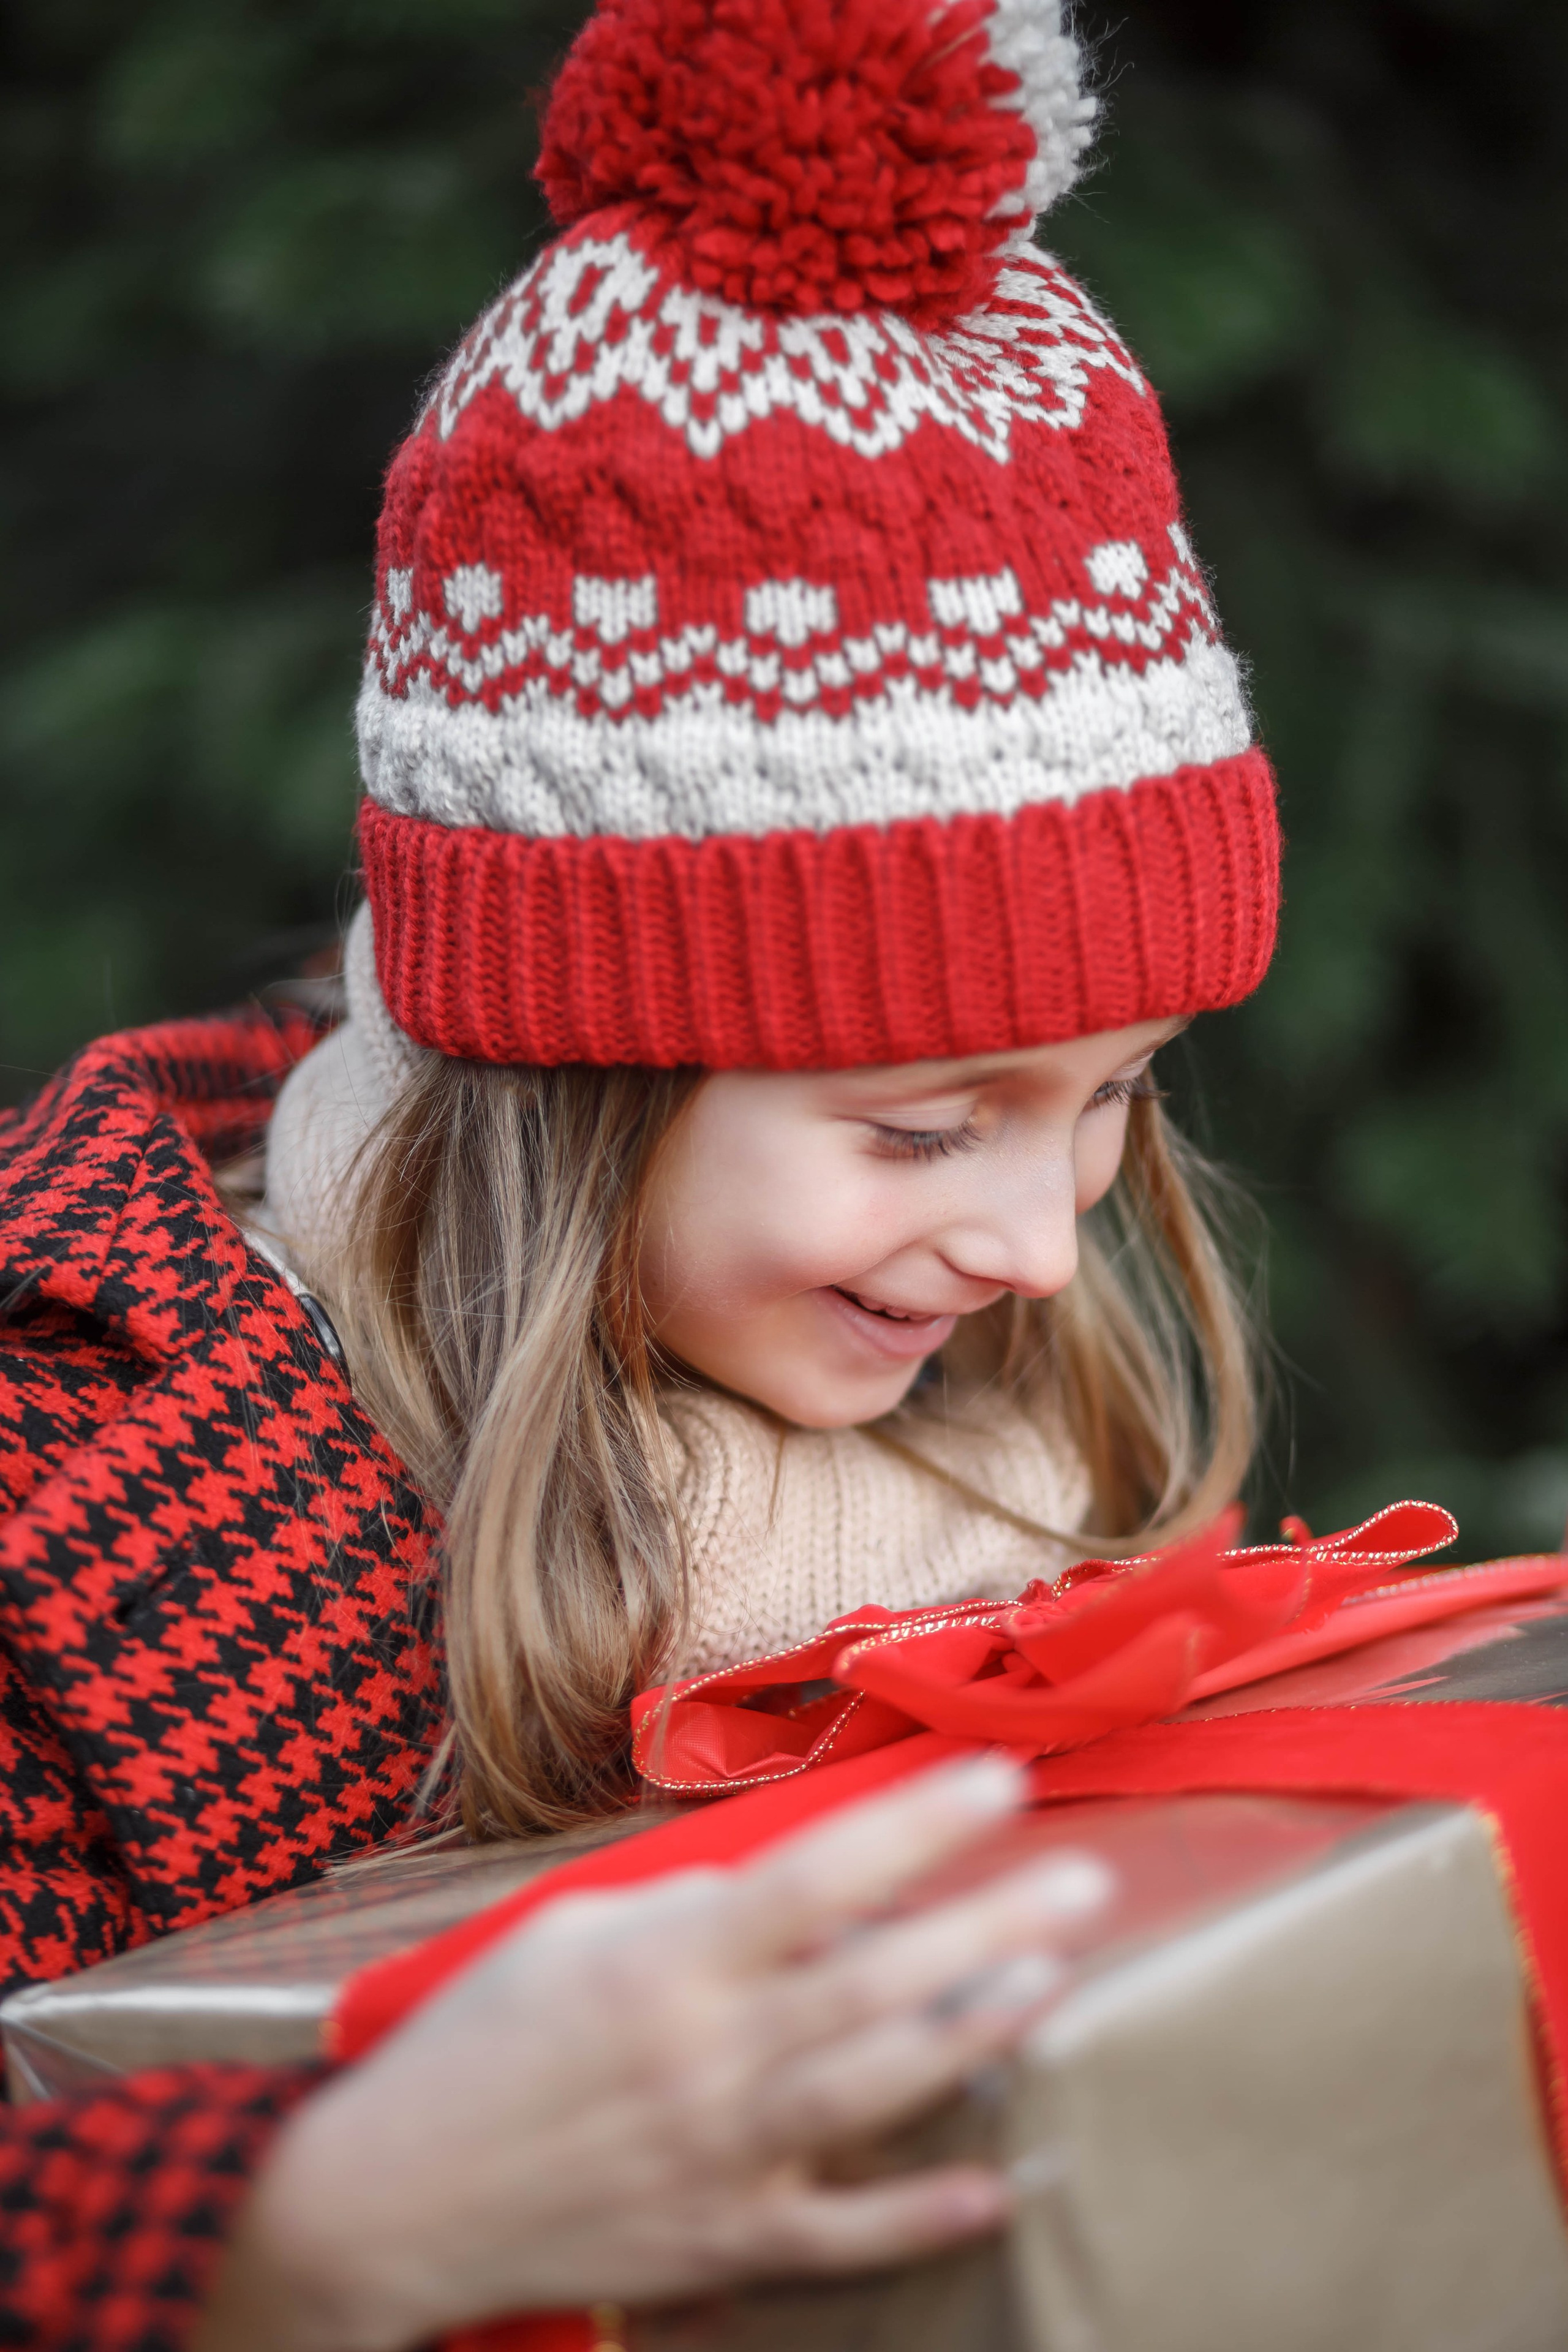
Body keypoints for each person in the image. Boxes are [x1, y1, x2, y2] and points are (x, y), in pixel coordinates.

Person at [0, 0, 1279, 2340]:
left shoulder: (983, 1427)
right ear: (569, 1066)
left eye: (1115, 1094)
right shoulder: (60, 1512)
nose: (1028, 1243)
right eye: (922, 1122)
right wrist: (288, 2230)